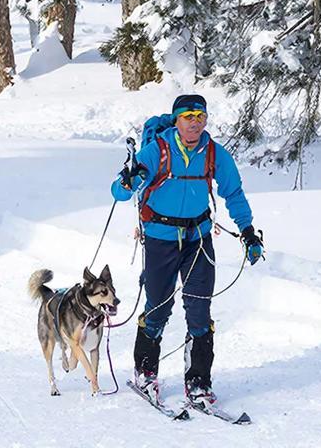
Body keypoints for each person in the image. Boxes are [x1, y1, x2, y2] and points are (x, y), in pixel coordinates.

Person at [111, 94, 264, 409]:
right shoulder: (157, 151)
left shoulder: (214, 154)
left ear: (205, 120)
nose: (194, 122)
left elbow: (233, 192)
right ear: (177, 120)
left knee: (199, 312)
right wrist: (127, 181)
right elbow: (119, 191)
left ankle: (198, 383)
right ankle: (145, 372)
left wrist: (248, 231)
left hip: (198, 240)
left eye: (199, 116)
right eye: (188, 116)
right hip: (160, 239)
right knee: (158, 307)